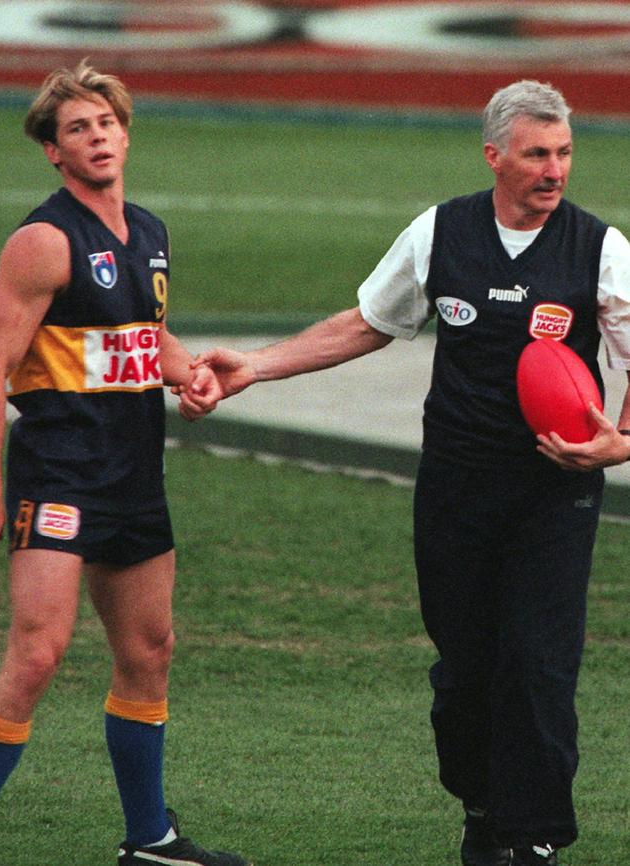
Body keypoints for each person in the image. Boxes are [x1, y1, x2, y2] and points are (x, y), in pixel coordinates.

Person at [183, 80, 630, 866]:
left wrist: (619, 443)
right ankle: (484, 803)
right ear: (494, 155)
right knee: (465, 670)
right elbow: (368, 323)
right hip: (455, 489)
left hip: (553, 494)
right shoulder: (440, 232)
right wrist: (256, 365)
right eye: (536, 154)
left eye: (563, 152)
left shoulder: (602, 249)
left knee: (537, 663)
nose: (554, 169)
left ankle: (533, 840)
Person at [0, 61, 251, 866]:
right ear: (53, 153)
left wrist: (189, 370)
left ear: (125, 133)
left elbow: (143, 337)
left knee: (149, 652)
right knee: (36, 655)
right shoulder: (43, 240)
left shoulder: (152, 231)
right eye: (77, 129)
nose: (96, 137)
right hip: (58, 473)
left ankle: (150, 840)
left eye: (105, 123)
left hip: (134, 475)